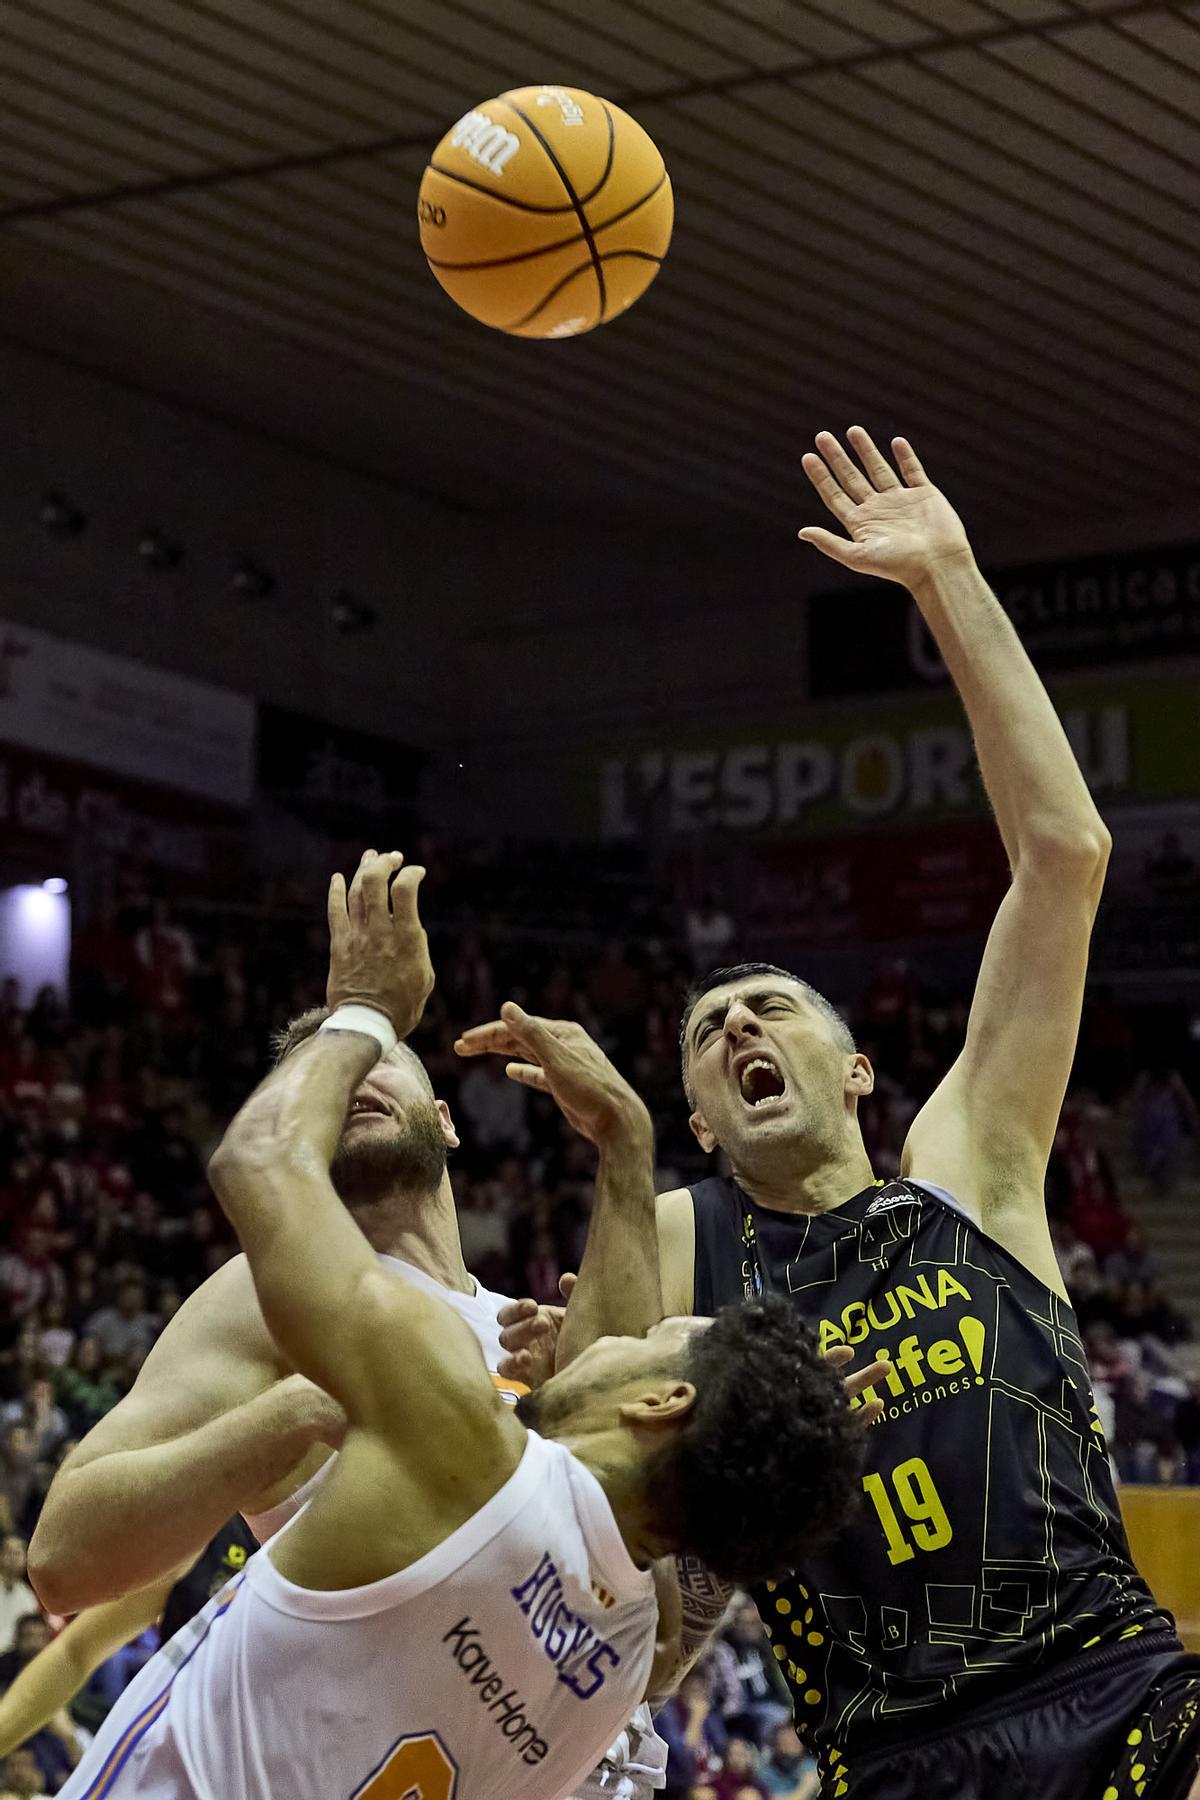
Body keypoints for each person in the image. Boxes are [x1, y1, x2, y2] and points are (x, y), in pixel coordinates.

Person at [484, 435, 1200, 1800]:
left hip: (1118, 1693)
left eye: (769, 1008)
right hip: (897, 1757)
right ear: (699, 1114)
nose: (741, 1027)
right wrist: (601, 1231)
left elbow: (1065, 856)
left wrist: (950, 582)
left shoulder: (968, 1171)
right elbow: (589, 1464)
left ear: (860, 1066)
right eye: (711, 1033)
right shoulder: (693, 1250)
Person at [58, 852, 865, 1800]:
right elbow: (67, 1557)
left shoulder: (488, 1377)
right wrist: (623, 1146)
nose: (346, 1076)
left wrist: (364, 1007)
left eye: (375, 1065)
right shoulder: (275, 1305)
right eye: (325, 1071)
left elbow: (606, 1439)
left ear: (447, 1120)